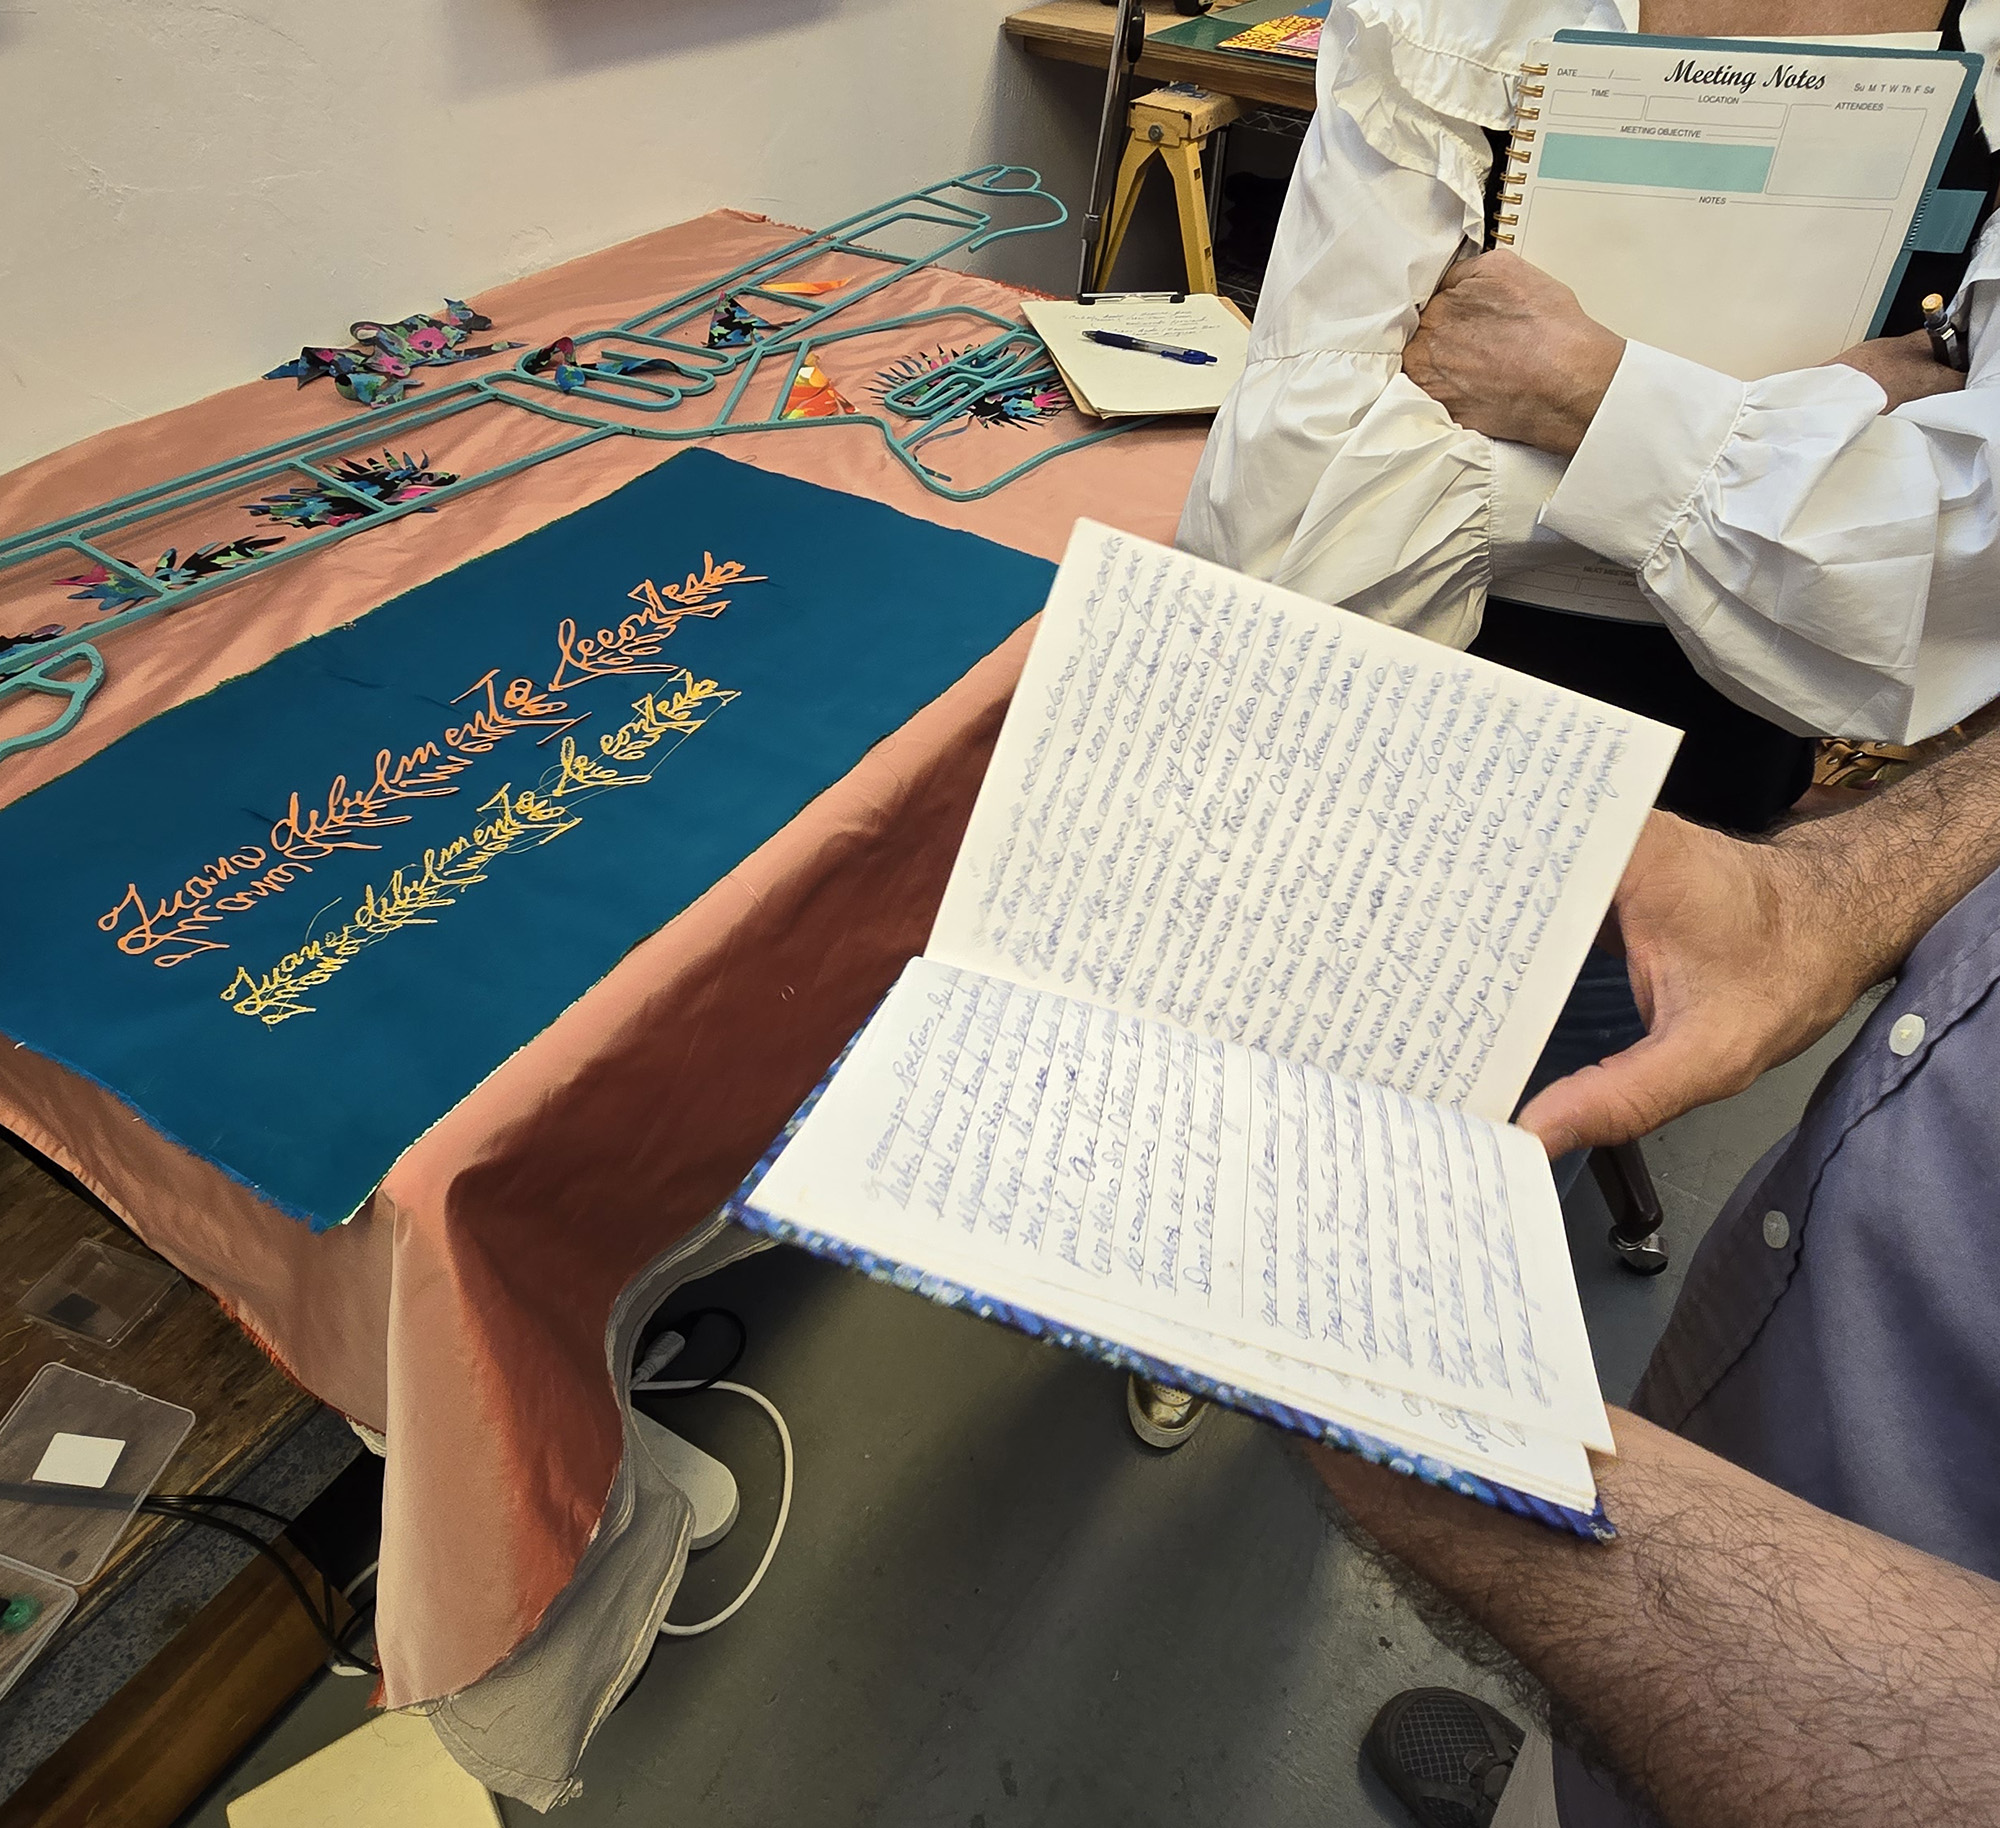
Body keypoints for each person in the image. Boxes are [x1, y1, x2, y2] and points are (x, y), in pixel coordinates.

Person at [1133, 0, 2000, 1448]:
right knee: (1278, 1039)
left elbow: (1952, 582)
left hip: (1707, 766)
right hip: (1390, 687)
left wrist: (1588, 389)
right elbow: (1298, 513)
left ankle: (1360, 1305)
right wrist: (1812, 425)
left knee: (1507, 1100)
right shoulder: (1457, 19)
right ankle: (1213, 1294)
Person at [1341, 714, 2000, 1827]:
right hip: (1743, 1391)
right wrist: (1836, 888)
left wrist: (1474, 1452)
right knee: (1583, 1775)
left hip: (1834, 1730)